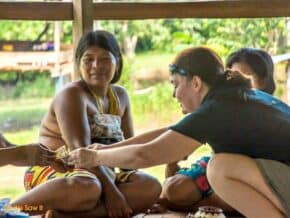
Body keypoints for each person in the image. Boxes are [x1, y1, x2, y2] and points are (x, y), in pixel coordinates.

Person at [68, 46, 290, 218]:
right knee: (218, 167)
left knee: (220, 168)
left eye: (175, 84)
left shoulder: (218, 109)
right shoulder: (229, 98)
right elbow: (168, 134)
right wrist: (107, 149)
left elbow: (146, 154)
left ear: (195, 83)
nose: (174, 95)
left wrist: (95, 157)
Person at [8, 30, 161, 217]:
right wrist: (113, 193)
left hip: (102, 174)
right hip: (58, 173)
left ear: (117, 61)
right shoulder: (72, 95)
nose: (96, 66)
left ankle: (64, 216)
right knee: (88, 189)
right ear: (78, 62)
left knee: (150, 186)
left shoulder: (120, 96)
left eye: (105, 59)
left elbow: (129, 151)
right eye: (88, 59)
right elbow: (80, 152)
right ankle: (8, 210)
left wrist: (145, 199)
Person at [153, 47, 277, 214]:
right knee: (176, 189)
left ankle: (194, 205)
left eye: (245, 75)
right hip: (220, 166)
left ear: (263, 81)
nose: (236, 79)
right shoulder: (221, 106)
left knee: (230, 196)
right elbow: (176, 136)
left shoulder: (266, 108)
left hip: (252, 172)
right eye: (231, 74)